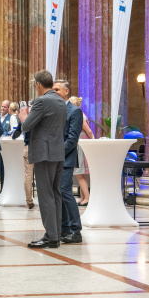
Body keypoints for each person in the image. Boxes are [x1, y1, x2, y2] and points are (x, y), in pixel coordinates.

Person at [18, 71, 66, 248]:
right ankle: (56, 233)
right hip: (57, 152)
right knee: (55, 194)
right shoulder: (60, 100)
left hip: (44, 153)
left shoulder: (42, 101)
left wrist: (23, 116)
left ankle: (51, 236)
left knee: (46, 195)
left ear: (38, 84)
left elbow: (26, 126)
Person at [53, 80, 83, 244]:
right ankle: (64, 228)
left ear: (66, 91)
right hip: (54, 158)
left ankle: (75, 230)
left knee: (65, 191)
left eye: (57, 89)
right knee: (58, 192)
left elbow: (72, 139)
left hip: (66, 158)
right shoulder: (55, 110)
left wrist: (58, 152)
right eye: (53, 89)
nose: (54, 92)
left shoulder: (74, 112)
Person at [68, 96, 94, 205]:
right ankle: (83, 197)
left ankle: (87, 197)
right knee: (81, 174)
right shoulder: (78, 115)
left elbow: (88, 131)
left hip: (81, 144)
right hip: (79, 143)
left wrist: (92, 142)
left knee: (79, 173)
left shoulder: (80, 115)